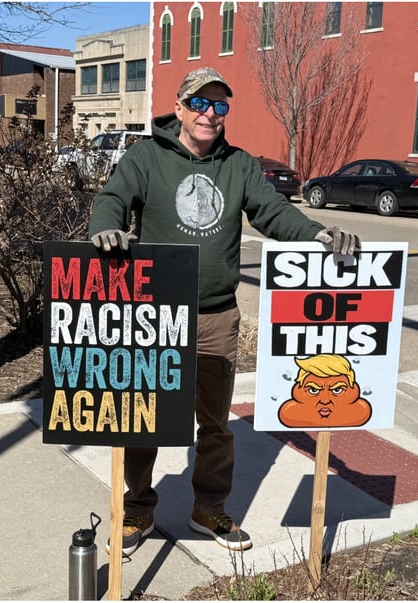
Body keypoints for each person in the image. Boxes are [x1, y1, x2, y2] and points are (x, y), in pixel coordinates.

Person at [88, 66, 361, 556]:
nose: (210, 114)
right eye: (200, 104)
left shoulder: (238, 164)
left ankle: (207, 508)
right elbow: (112, 199)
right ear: (180, 109)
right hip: (153, 313)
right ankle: (138, 508)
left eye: (220, 106)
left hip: (216, 315)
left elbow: (273, 212)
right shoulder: (146, 156)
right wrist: (105, 229)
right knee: (143, 416)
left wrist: (318, 234)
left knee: (214, 422)